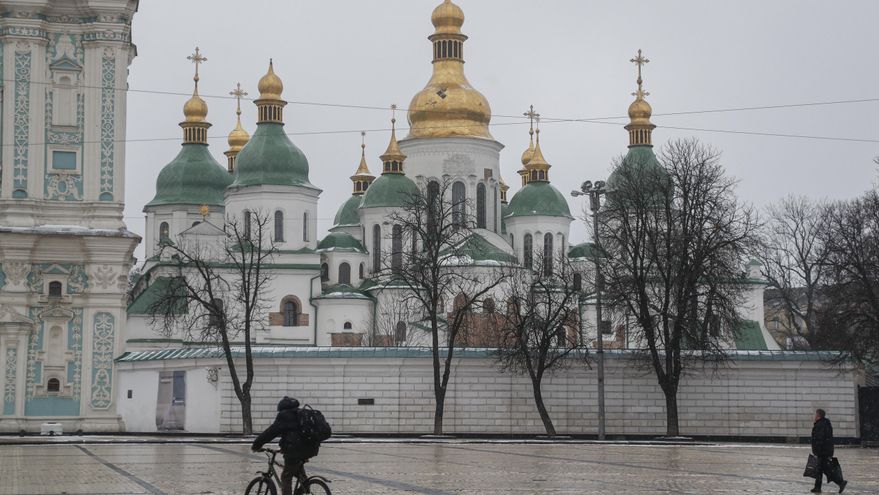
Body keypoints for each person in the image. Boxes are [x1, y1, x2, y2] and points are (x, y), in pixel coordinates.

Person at [252, 397, 320, 495]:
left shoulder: (285, 416)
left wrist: (256, 445)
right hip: (310, 449)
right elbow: (296, 434)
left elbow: (270, 432)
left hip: (294, 451)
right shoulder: (302, 414)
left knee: (286, 477)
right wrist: (284, 446)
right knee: (299, 474)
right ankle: (306, 490)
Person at [810, 408, 847, 493]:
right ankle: (817, 487)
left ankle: (841, 482)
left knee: (825, 469)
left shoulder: (820, 425)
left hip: (822, 451)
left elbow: (819, 439)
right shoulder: (825, 423)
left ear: (818, 415)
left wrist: (817, 451)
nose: (814, 416)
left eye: (815, 415)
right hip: (826, 450)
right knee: (819, 469)